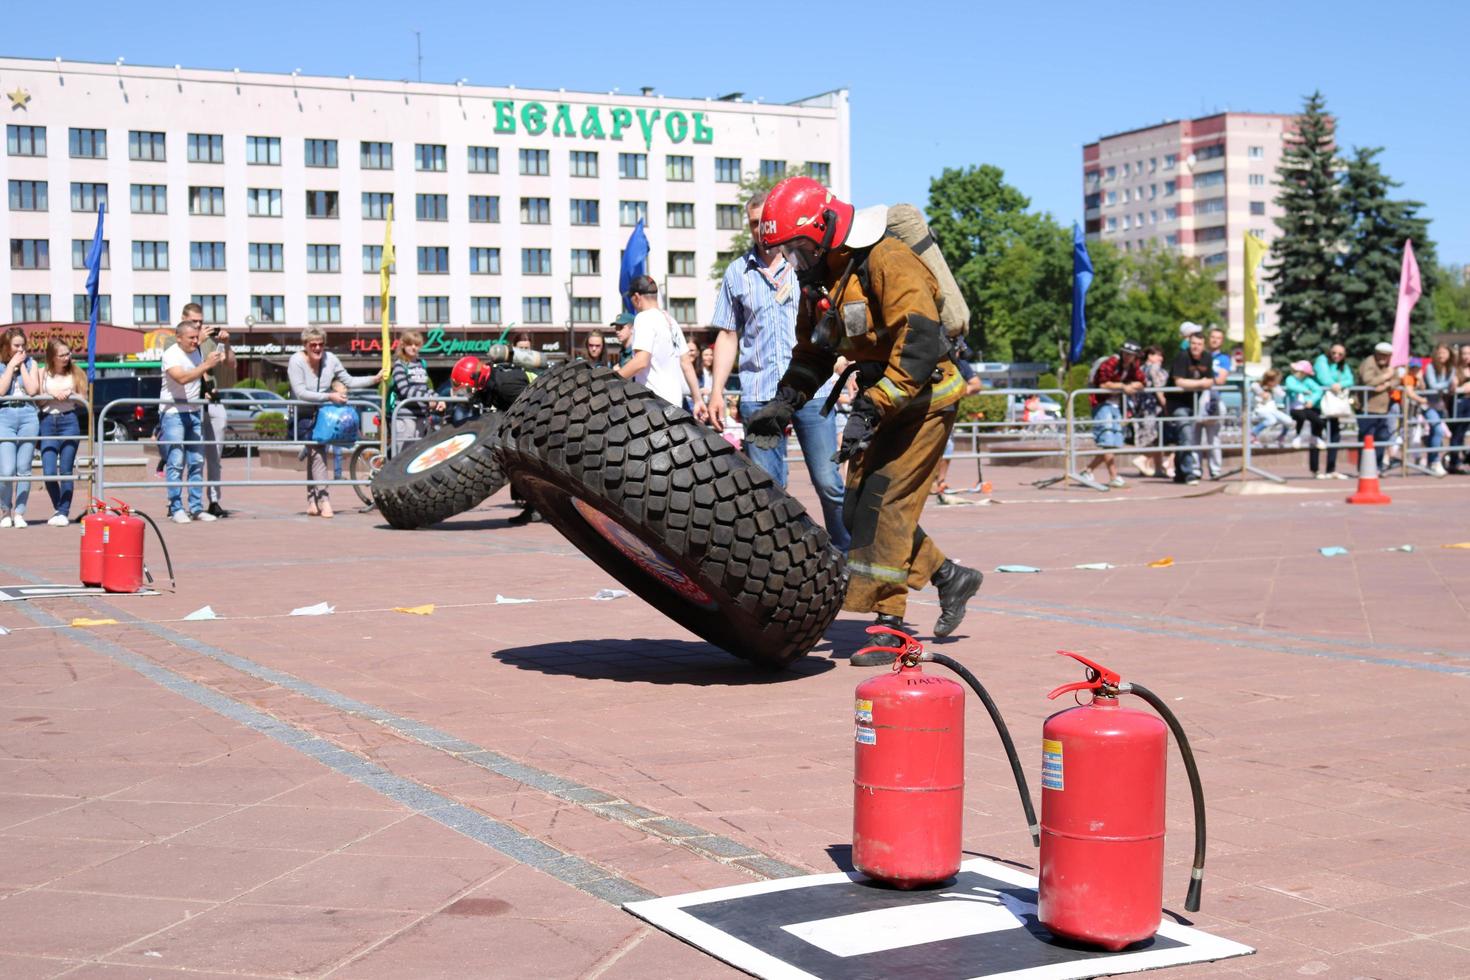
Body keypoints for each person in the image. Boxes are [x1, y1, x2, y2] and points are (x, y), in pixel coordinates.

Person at [749, 176, 982, 636]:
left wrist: (873, 405)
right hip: (884, 398)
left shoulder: (887, 258)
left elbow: (917, 340)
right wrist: (783, 403)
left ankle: (890, 625)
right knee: (857, 508)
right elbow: (814, 352)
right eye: (786, 253)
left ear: (825, 229)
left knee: (887, 504)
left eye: (797, 249)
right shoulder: (821, 280)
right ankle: (950, 577)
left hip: (926, 398)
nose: (793, 262)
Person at [709, 191, 849, 551]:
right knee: (768, 488)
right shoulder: (737, 273)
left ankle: (848, 550)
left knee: (828, 481)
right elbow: (728, 334)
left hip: (811, 391)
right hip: (759, 394)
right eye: (753, 223)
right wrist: (715, 392)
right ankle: (783, 558)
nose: (759, 230)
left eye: (764, 222)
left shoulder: (805, 263)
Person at [288, 327, 381, 518]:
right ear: (305, 346)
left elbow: (349, 381)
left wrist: (375, 378)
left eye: (320, 344)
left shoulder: (330, 359)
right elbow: (300, 393)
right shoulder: (296, 361)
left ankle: (312, 500)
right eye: (312, 344)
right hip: (303, 412)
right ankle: (324, 500)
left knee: (316, 453)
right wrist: (329, 396)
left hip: (324, 414)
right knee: (318, 453)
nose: (317, 348)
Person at [616, 275, 708, 422]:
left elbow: (641, 361)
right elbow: (686, 365)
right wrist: (698, 400)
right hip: (675, 404)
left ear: (636, 297)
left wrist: (613, 379)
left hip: (653, 405)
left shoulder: (643, 318)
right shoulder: (671, 321)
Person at [161, 321, 226, 523]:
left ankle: (196, 508)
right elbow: (181, 378)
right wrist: (206, 364)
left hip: (194, 411)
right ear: (179, 337)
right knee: (176, 461)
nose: (195, 341)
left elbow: (198, 378)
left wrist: (206, 390)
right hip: (173, 412)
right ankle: (176, 507)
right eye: (191, 338)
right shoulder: (171, 354)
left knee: (197, 461)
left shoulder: (197, 352)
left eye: (197, 337)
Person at [178, 303, 235, 518]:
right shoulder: (177, 341)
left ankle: (214, 500)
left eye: (201, 321)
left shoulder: (209, 341)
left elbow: (230, 365)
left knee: (215, 454)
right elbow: (183, 370)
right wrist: (198, 342)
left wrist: (227, 345)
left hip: (213, 401)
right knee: (188, 457)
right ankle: (180, 503)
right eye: (194, 322)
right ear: (184, 319)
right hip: (188, 403)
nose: (199, 325)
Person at [38, 339, 87, 525]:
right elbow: (38, 401)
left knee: (66, 470)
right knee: (49, 471)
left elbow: (84, 399)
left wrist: (71, 394)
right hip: (47, 421)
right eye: (62, 355)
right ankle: (59, 509)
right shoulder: (42, 373)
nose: (67, 358)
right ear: (52, 357)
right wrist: (49, 396)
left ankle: (63, 511)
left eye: (68, 353)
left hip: (69, 420)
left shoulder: (76, 372)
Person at [1084, 341, 1145, 488]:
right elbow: (1103, 384)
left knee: (1115, 443)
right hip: (1101, 404)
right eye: (1125, 353)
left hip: (1116, 406)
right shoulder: (1111, 363)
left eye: (1131, 355)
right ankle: (1114, 476)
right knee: (1107, 440)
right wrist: (1124, 387)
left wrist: (1133, 385)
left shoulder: (1133, 367)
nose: (1127, 357)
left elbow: (1142, 382)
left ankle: (1088, 470)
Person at [0, 327, 42, 529]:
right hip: (4, 415)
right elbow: (0, 390)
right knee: (7, 469)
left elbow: (33, 390)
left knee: (24, 469)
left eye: (23, 345)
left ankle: (19, 512)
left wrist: (23, 366)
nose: (20, 349)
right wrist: (10, 367)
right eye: (16, 345)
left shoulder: (32, 363)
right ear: (7, 346)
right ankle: (5, 510)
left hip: (27, 415)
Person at [1164, 329, 1215, 486]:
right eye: (1193, 343)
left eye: (1199, 344)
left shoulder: (1207, 357)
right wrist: (1200, 384)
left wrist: (1200, 384)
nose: (1196, 347)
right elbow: (1179, 382)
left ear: (1203, 345)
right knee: (1186, 435)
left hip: (1193, 402)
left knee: (1184, 438)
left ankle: (1179, 473)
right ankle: (1189, 473)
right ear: (1189, 343)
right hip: (1176, 403)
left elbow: (1211, 380)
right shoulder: (1182, 356)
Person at [389, 330, 441, 452]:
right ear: (403, 345)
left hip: (421, 416)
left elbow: (426, 388)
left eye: (416, 345)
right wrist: (428, 399)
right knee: (403, 454)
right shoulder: (400, 365)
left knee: (417, 453)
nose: (413, 347)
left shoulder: (421, 364)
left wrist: (437, 399)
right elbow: (405, 390)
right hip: (405, 416)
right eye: (410, 344)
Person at [1310, 343, 1352, 477]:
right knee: (1316, 436)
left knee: (1334, 436)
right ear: (1330, 352)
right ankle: (1315, 469)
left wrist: (1339, 385)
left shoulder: (1343, 365)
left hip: (1333, 406)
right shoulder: (1321, 360)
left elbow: (1350, 379)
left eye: (1340, 354)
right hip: (1318, 404)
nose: (1336, 356)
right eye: (1334, 353)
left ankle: (1331, 469)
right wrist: (1331, 384)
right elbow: (1323, 377)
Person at [1283, 360, 1331, 478]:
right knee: (1301, 418)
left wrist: (1312, 400)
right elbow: (1290, 386)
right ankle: (1298, 436)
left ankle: (1315, 437)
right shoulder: (1290, 379)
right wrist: (1304, 390)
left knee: (1319, 421)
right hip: (1294, 408)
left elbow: (1318, 390)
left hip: (1306, 407)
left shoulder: (1308, 381)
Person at [1196, 327, 1231, 480]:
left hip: (1214, 399)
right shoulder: (1200, 355)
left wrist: (1205, 381)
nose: (1215, 340)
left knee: (1213, 437)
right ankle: (1195, 469)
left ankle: (1215, 469)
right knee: (1194, 436)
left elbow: (1221, 379)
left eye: (1218, 337)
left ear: (1222, 341)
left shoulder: (1223, 358)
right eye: (1212, 337)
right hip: (1197, 398)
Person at [1131, 345, 1171, 478]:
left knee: (1153, 439)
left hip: (1142, 407)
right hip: (1154, 408)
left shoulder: (1140, 368)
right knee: (1157, 438)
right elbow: (1158, 388)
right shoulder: (1154, 368)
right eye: (1158, 355)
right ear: (1150, 356)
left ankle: (1158, 469)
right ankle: (1143, 459)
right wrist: (1165, 404)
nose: (1161, 358)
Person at [1357, 342, 1397, 471]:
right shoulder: (1369, 362)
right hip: (1367, 408)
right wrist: (1386, 376)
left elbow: (1397, 379)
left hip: (1383, 409)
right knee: (1367, 439)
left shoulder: (1390, 366)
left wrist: (1386, 385)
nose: (1382, 358)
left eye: (1386, 356)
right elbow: (1368, 381)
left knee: (1381, 438)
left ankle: (1378, 466)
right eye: (1380, 355)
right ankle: (1364, 468)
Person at [1423, 344, 1455, 476]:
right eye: (1439, 353)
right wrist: (1449, 385)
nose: (1441, 355)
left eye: (1444, 353)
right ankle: (1435, 461)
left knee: (1434, 434)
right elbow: (1434, 385)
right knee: (1438, 430)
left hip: (1440, 405)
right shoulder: (1430, 367)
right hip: (1427, 403)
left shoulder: (1450, 368)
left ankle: (1431, 462)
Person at [1250, 369, 1295, 447]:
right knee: (1271, 420)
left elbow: (1282, 394)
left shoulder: (1275, 387)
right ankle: (1253, 433)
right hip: (1261, 410)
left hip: (1272, 410)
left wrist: (1274, 389)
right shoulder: (1257, 385)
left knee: (1289, 421)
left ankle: (1281, 437)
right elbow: (1256, 389)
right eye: (1276, 381)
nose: (1277, 383)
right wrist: (1263, 391)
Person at [1448, 344, 1470, 473]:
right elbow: (1452, 389)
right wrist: (1462, 388)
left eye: (1468, 353)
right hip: (1461, 404)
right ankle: (1454, 462)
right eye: (1464, 353)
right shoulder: (1456, 370)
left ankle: (1466, 459)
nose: (1466, 356)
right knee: (1458, 434)